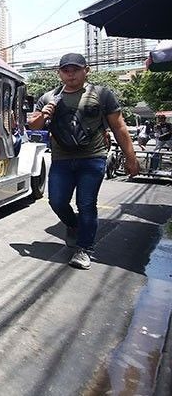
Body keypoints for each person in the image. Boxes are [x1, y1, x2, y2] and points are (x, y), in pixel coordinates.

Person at [28, 53, 139, 270]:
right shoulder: (48, 97)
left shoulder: (102, 94)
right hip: (61, 159)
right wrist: (45, 112)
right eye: (66, 70)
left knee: (86, 204)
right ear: (59, 73)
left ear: (86, 70)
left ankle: (84, 248)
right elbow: (34, 126)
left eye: (75, 69)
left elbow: (119, 127)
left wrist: (131, 158)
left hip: (92, 158)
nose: (71, 74)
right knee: (57, 201)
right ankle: (73, 224)